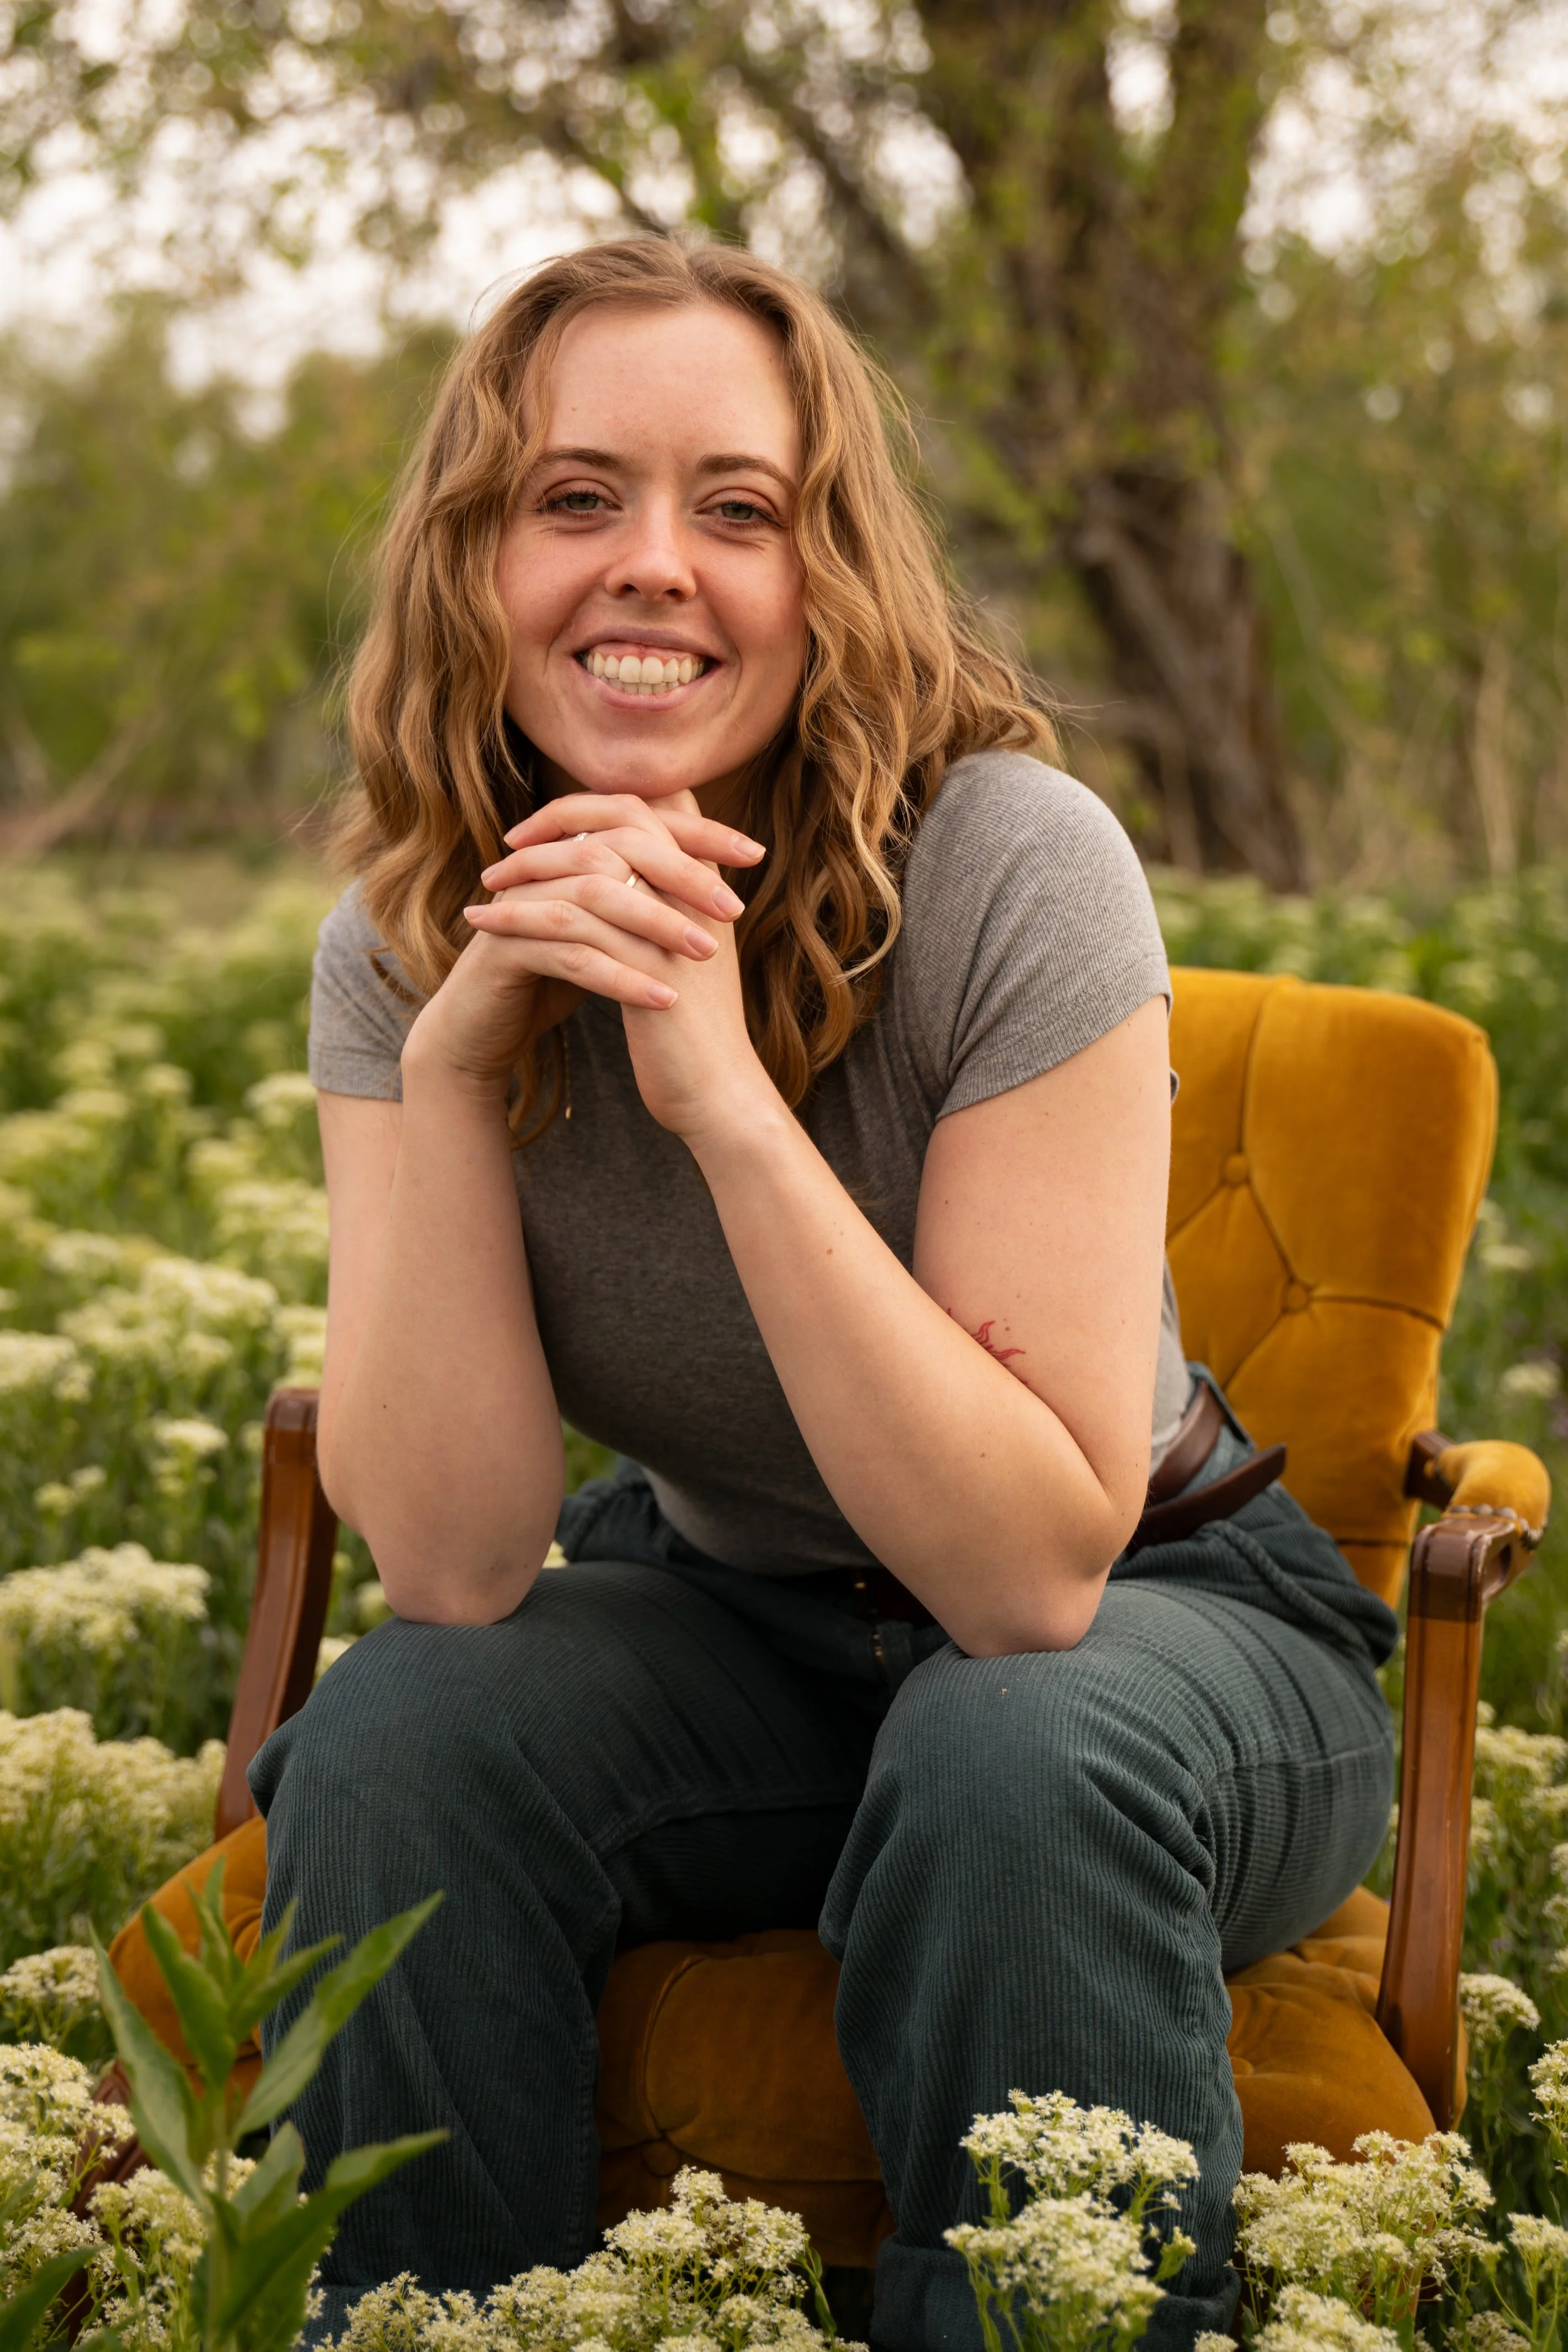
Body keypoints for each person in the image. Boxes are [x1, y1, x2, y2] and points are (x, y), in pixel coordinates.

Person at [251, 236, 1397, 2351]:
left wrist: (720, 1099)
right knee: (399, 1731)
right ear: (471, 561)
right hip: (736, 1626)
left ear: (831, 570)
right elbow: (462, 1560)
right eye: (573, 497)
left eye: (739, 508)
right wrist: (442, 1073)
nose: (651, 565)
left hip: (1161, 1615)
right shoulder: (410, 945)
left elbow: (1026, 1579)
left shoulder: (1009, 865)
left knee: (1008, 1745)